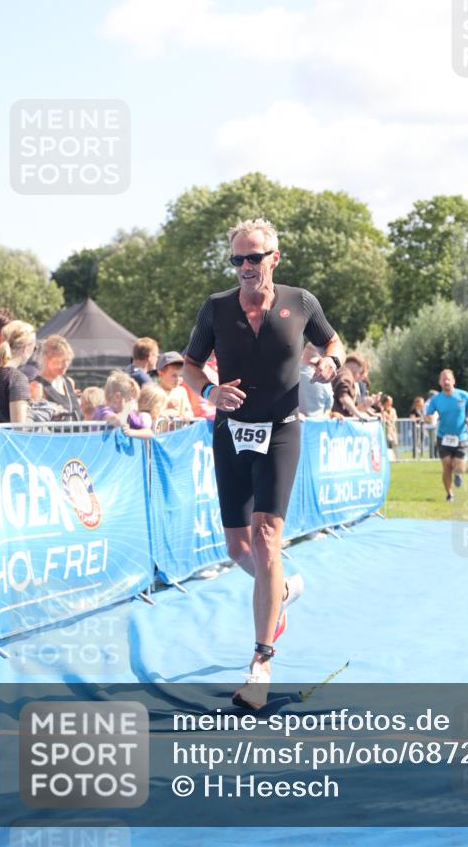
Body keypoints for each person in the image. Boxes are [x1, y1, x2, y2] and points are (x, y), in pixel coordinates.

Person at [182, 217, 344, 710]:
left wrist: (329, 362)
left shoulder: (302, 302)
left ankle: (261, 662)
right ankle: (282, 591)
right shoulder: (216, 309)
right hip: (230, 433)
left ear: (275, 257)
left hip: (281, 430)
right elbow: (190, 366)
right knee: (237, 547)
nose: (246, 267)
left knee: (267, 537)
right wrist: (210, 390)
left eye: (255, 257)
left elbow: (332, 343)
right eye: (238, 259)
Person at [424, 368, 468, 503]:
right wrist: (428, 418)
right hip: (443, 436)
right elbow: (429, 414)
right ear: (440, 382)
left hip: (461, 435)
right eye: (443, 379)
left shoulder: (463, 395)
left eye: (448, 379)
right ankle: (449, 494)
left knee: (458, 465)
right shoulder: (436, 400)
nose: (446, 382)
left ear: (453, 381)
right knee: (446, 465)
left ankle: (458, 473)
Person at [0, 320, 35, 423]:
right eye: (34, 348)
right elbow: (19, 428)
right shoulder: (17, 378)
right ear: (26, 348)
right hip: (9, 439)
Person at [35, 335, 82, 420]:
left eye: (68, 360)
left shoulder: (69, 382)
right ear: (47, 360)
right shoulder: (37, 386)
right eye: (61, 361)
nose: (66, 365)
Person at [298, 342, 333, 419]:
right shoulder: (325, 380)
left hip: (290, 426)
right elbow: (328, 408)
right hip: (317, 427)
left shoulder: (288, 374)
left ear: (303, 352)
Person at [157, 351, 194, 419]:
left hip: (179, 428)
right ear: (161, 374)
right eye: (174, 376)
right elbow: (152, 415)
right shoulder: (155, 392)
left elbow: (190, 412)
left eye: (180, 375)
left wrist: (186, 416)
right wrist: (166, 406)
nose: (178, 379)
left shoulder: (181, 391)